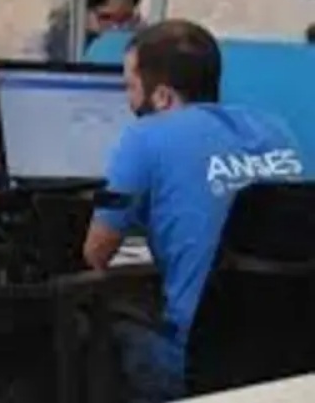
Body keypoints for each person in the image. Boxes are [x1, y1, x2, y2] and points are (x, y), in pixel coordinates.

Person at [82, 20, 305, 402]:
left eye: (130, 88)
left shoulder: (143, 136)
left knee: (91, 325)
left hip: (196, 364)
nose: (128, 102)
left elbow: (95, 254)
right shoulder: (277, 130)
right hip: (290, 357)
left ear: (162, 97)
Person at [44, 0, 143, 60]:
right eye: (106, 18)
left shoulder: (140, 42)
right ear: (82, 13)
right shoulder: (52, 49)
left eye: (126, 19)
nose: (116, 27)